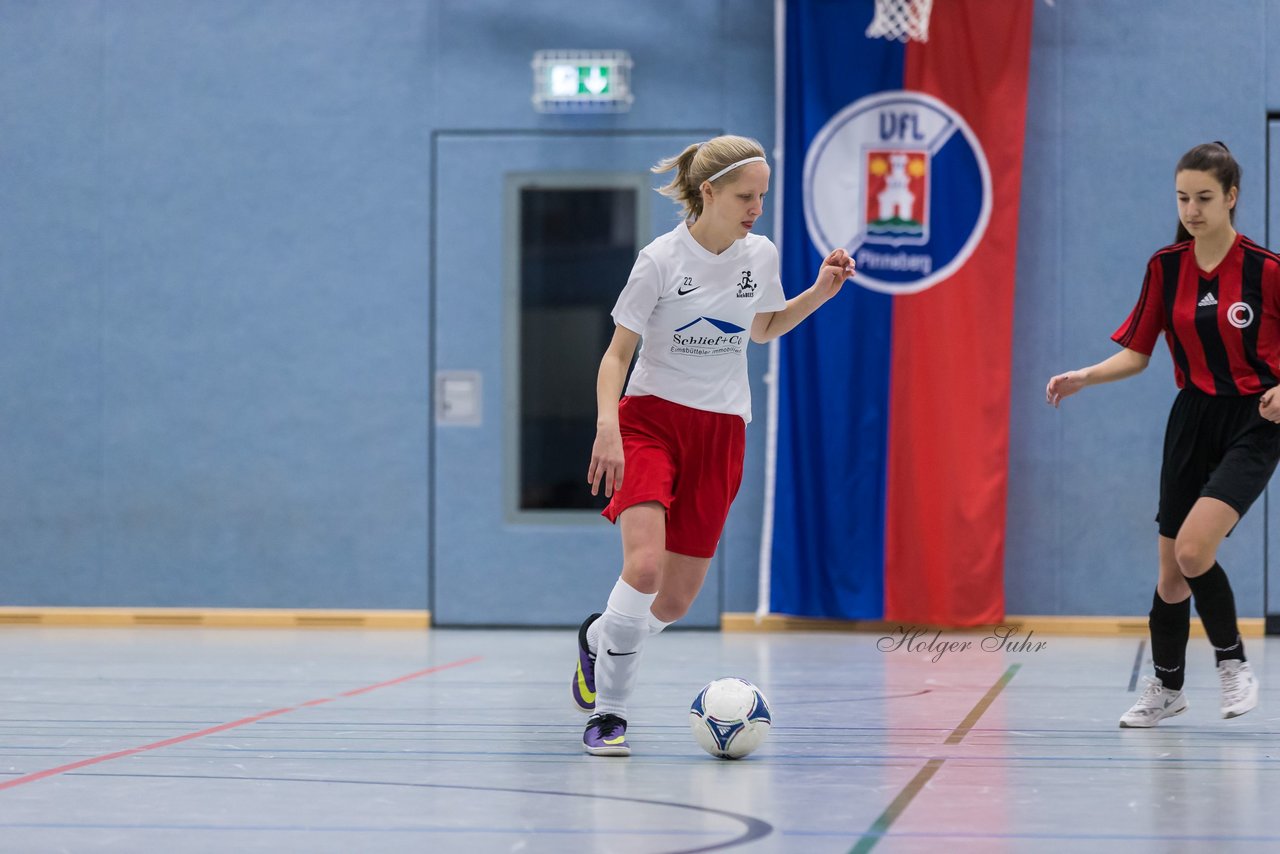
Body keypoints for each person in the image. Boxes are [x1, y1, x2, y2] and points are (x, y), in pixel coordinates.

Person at [570, 135, 855, 756]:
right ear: (709, 193)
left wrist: (818, 294)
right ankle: (609, 716)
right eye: (746, 197)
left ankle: (600, 641)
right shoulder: (660, 259)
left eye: (762, 197)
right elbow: (618, 353)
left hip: (722, 428)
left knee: (672, 600)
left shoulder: (762, 254)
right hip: (649, 421)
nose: (757, 208)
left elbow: (763, 330)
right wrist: (607, 426)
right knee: (643, 568)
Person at [1046, 141, 1280, 728]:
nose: (1192, 210)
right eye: (1182, 198)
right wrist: (1083, 377)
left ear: (1231, 197)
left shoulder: (1266, 270)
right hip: (1192, 418)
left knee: (1195, 549)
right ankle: (1168, 689)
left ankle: (1233, 665)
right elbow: (1137, 353)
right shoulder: (1165, 267)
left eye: (1204, 197)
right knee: (1171, 574)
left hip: (1257, 420)